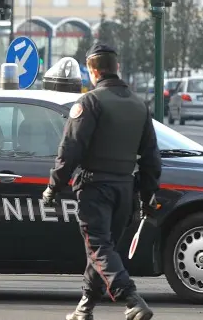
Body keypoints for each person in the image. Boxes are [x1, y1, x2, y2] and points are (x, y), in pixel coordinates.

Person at [42, 43, 162, 320]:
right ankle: (85, 307)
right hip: (124, 189)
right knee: (102, 250)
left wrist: (53, 186)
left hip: (95, 189)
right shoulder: (139, 105)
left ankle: (132, 299)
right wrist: (147, 196)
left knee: (98, 247)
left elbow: (70, 149)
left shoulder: (90, 102)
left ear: (92, 71)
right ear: (116, 67)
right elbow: (151, 158)